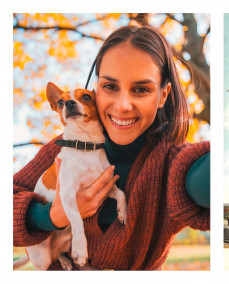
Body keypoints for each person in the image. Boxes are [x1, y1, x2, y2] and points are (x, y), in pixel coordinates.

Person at [13, 25, 210, 271]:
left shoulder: (171, 162)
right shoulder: (59, 149)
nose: (122, 106)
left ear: (162, 95)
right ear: (96, 90)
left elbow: (203, 179)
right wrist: (50, 216)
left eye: (141, 89)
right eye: (110, 86)